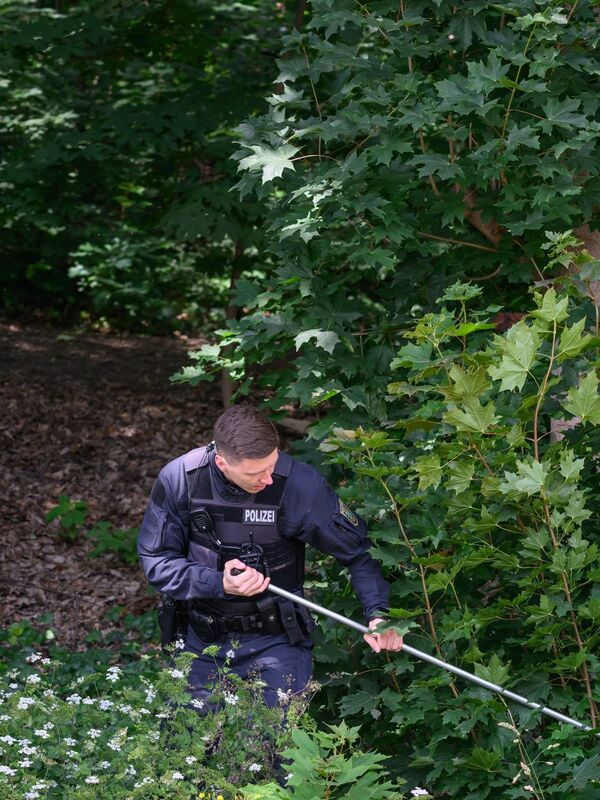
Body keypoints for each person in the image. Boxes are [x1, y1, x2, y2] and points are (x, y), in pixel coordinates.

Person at [137, 404, 402, 707]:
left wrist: (378, 615)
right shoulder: (181, 479)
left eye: (272, 466)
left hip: (277, 640)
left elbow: (358, 553)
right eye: (255, 473)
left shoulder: (300, 487)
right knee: (189, 749)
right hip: (200, 638)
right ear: (222, 463)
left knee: (272, 751)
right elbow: (156, 560)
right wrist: (218, 582)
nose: (268, 479)